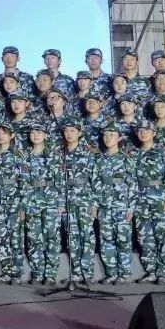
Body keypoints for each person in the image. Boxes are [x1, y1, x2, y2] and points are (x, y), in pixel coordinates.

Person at [132, 121, 165, 284]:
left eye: (147, 130)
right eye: (140, 130)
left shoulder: (163, 153)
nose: (143, 133)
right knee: (144, 237)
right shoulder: (133, 154)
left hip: (159, 199)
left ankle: (164, 272)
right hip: (140, 200)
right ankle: (151, 270)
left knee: (163, 236)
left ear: (154, 133)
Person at [23, 123, 63, 285]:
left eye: (39, 132)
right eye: (33, 132)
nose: (36, 135)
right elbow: (22, 182)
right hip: (32, 202)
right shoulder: (24, 156)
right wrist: (23, 204)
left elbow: (60, 181)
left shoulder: (54, 155)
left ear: (46, 135)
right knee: (33, 238)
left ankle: (51, 274)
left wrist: (61, 203)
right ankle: (37, 272)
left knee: (52, 238)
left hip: (51, 202)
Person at [94, 124, 134, 285]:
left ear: (119, 138)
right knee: (106, 240)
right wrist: (95, 204)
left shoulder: (126, 159)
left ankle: (124, 274)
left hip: (121, 205)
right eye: (105, 135)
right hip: (104, 206)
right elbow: (95, 183)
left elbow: (133, 184)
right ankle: (111, 273)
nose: (108, 138)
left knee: (123, 241)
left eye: (112, 135)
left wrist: (131, 206)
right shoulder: (99, 159)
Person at [60, 119, 99, 285]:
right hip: (67, 201)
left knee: (87, 236)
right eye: (66, 131)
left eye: (73, 131)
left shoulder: (88, 153)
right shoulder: (60, 154)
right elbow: (57, 181)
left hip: (84, 200)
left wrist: (94, 204)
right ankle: (75, 272)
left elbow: (95, 180)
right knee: (71, 237)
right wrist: (60, 203)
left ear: (80, 133)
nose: (69, 134)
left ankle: (87, 273)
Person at [0, 124, 25, 284]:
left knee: (15, 239)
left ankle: (16, 273)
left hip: (14, 204)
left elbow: (24, 182)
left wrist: (23, 205)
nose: (0, 136)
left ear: (11, 136)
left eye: (4, 133)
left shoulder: (18, 155)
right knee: (0, 239)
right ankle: (6, 272)